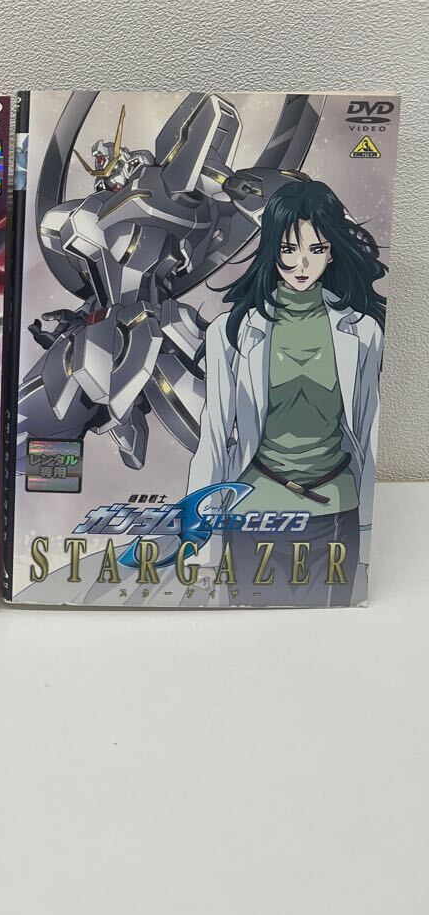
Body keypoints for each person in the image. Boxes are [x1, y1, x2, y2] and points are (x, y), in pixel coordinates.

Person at [188, 179, 386, 605]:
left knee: (328, 635)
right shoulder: (231, 331)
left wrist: (369, 542)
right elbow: (215, 438)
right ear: (271, 249)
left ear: (331, 251)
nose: (302, 264)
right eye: (288, 249)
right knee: (251, 634)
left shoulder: (362, 332)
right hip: (252, 514)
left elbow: (371, 437)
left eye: (316, 249)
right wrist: (203, 546)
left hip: (334, 513)